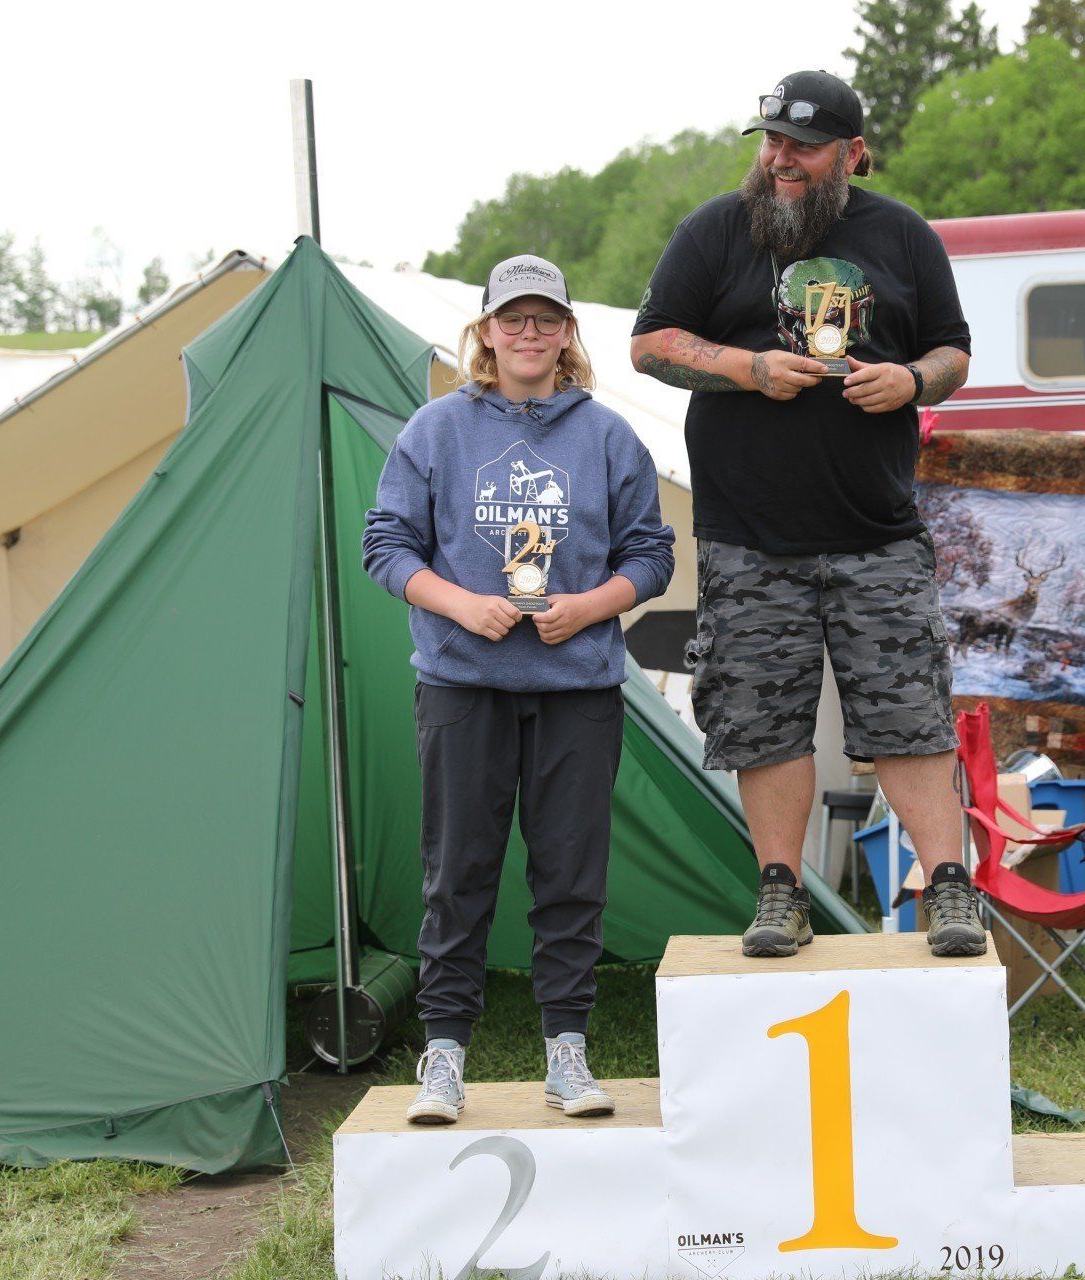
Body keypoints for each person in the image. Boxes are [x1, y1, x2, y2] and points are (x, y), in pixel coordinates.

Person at [629, 69, 983, 959]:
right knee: (760, 718)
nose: (781, 160)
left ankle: (948, 890)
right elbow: (651, 342)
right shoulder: (715, 229)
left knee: (910, 714)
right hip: (750, 535)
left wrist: (910, 380)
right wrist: (747, 367)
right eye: (772, 142)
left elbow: (953, 352)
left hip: (878, 533)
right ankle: (780, 893)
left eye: (803, 146)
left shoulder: (902, 234)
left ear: (852, 153)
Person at [363, 254, 675, 1123]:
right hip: (463, 685)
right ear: (487, 333)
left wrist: (588, 608)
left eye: (545, 320)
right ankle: (443, 1056)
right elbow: (386, 544)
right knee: (456, 872)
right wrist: (464, 605)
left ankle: (567, 1053)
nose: (529, 334)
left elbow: (651, 555)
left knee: (570, 873)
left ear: (568, 333)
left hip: (577, 685)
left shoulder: (608, 435)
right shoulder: (435, 430)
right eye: (513, 320)